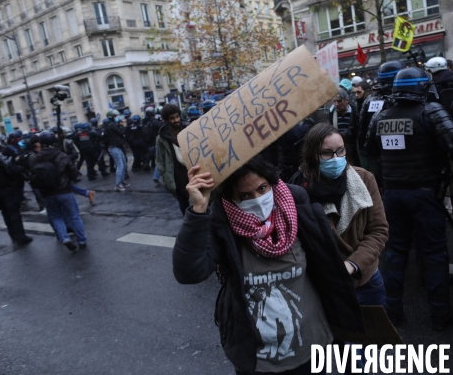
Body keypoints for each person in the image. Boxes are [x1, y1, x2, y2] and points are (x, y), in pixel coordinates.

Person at [172, 156, 364, 374]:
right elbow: (188, 272)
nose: (257, 199)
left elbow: (328, 265)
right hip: (259, 360)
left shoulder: (298, 209)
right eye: (244, 196)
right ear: (230, 199)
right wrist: (198, 210)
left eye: (262, 188)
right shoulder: (222, 224)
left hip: (314, 350)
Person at [366, 67, 453, 331]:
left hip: (393, 195)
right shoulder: (431, 111)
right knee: (433, 254)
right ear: (423, 87)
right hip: (424, 194)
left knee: (395, 253)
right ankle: (441, 316)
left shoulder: (382, 115)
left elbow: (369, 148)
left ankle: (392, 313)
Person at [290, 123, 389, 309]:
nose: (335, 158)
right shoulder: (297, 190)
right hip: (324, 286)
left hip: (365, 281)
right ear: (313, 155)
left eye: (340, 151)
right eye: (327, 153)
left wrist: (352, 264)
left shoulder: (364, 179)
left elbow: (378, 230)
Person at [32, 131, 87, 251]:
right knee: (74, 216)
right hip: (64, 190)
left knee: (56, 217)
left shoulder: (37, 157)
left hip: (48, 193)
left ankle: (64, 238)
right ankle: (82, 240)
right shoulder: (61, 155)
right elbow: (74, 172)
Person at [156, 104, 190, 215]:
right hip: (177, 176)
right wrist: (166, 177)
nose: (176, 120)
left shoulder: (188, 129)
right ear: (167, 120)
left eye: (177, 116)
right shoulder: (162, 138)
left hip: (192, 171)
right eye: (172, 118)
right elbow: (160, 161)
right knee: (184, 206)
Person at [105, 109, 130, 192]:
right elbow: (121, 133)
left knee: (123, 164)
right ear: (112, 117)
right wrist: (125, 126)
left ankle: (122, 181)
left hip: (117, 147)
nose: (117, 117)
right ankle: (118, 184)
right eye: (116, 116)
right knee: (120, 166)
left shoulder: (113, 124)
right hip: (114, 148)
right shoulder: (111, 125)